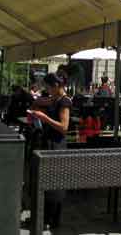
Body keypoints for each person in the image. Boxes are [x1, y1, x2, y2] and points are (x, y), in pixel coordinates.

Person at [28, 73, 71, 228]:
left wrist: (44, 117)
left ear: (56, 86)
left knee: (54, 182)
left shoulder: (64, 102)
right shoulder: (55, 99)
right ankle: (46, 218)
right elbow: (41, 101)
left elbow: (64, 127)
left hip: (56, 145)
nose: (46, 89)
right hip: (50, 143)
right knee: (47, 181)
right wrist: (37, 108)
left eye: (48, 87)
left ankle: (51, 220)